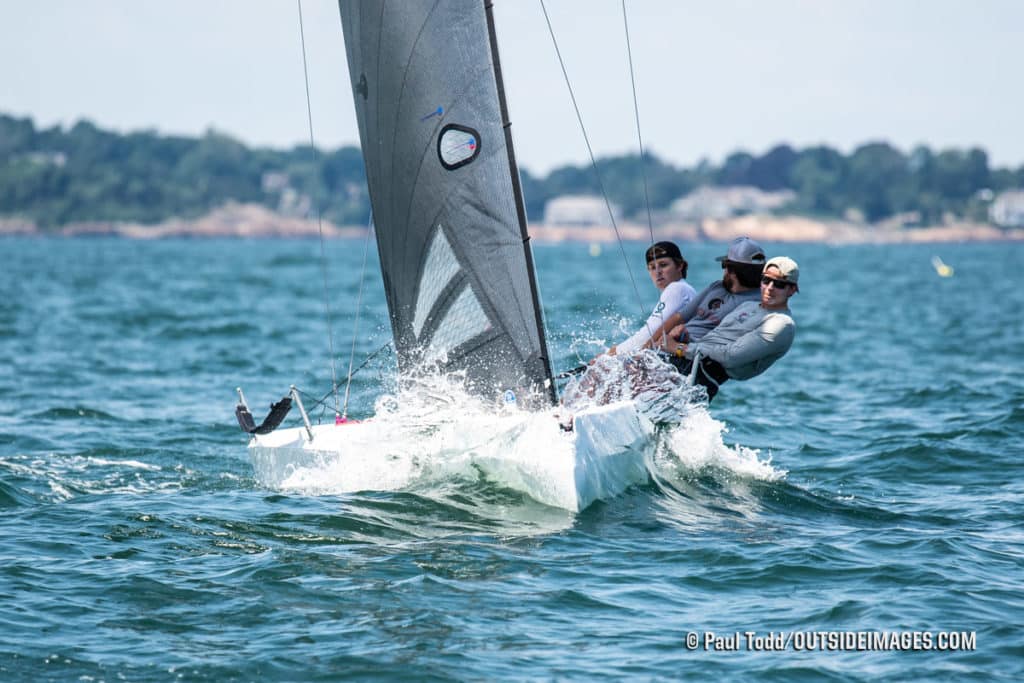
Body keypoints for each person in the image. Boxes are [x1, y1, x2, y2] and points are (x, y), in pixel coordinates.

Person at [659, 256, 800, 401]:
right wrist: (687, 338)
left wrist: (680, 348)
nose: (770, 288)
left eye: (779, 284)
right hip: (686, 361)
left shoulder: (782, 324)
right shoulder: (748, 305)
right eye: (766, 280)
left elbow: (730, 357)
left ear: (792, 290)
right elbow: (712, 341)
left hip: (700, 377)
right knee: (636, 364)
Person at [626, 236, 766, 350]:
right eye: (651, 268)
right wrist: (646, 348)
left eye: (726, 266)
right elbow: (677, 318)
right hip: (671, 346)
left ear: (735, 270)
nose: (724, 271)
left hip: (690, 352)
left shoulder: (755, 303)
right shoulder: (716, 287)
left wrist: (685, 342)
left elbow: (727, 340)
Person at [606, 241, 696, 356]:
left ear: (679, 266)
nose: (658, 272)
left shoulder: (677, 289)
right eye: (652, 267)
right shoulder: (685, 289)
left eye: (663, 265)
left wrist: (614, 352)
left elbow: (650, 332)